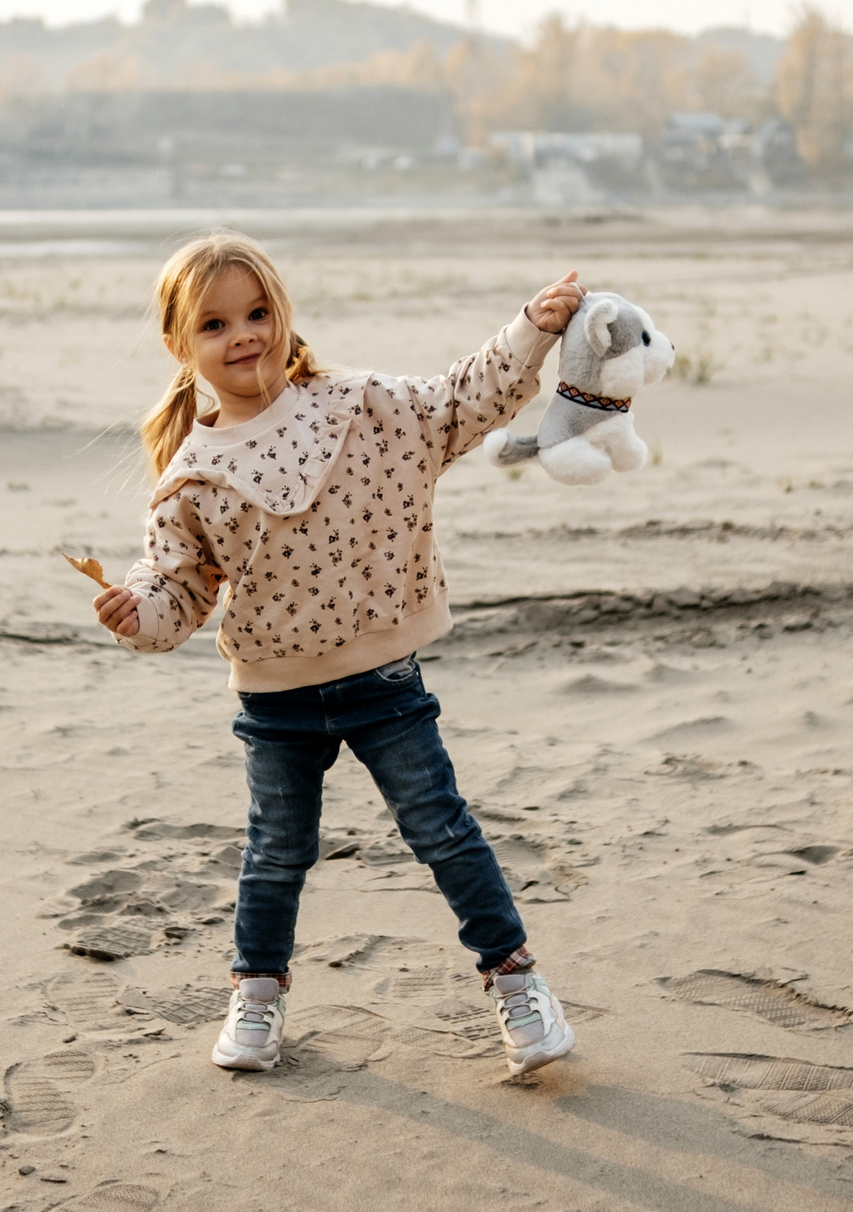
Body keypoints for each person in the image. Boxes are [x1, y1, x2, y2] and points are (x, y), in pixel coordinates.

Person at [92, 231, 584, 1077]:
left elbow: (462, 400)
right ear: (182, 345)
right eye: (214, 325)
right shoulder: (192, 472)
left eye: (255, 312)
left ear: (281, 312)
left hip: (384, 677)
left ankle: (516, 983)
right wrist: (135, 613)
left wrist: (531, 328)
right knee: (276, 854)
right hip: (277, 699)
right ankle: (256, 994)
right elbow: (176, 588)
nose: (242, 334)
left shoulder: (361, 404)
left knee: (443, 830)